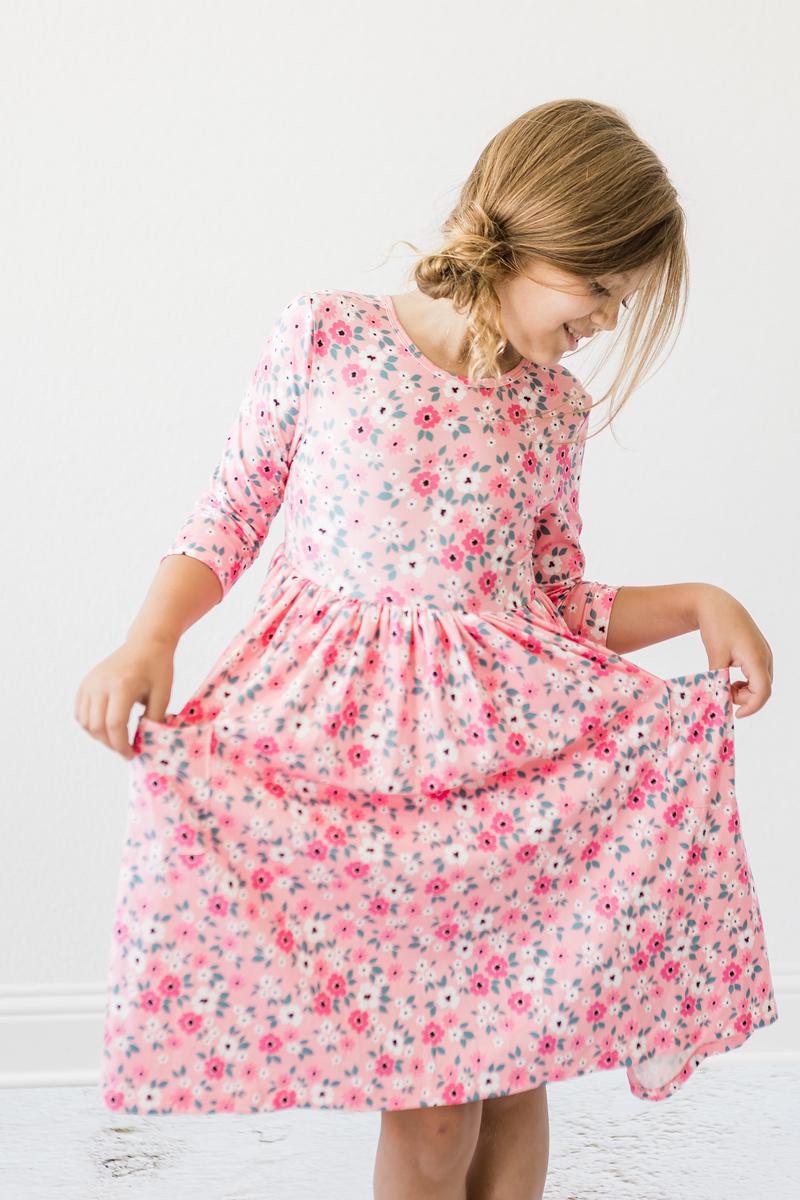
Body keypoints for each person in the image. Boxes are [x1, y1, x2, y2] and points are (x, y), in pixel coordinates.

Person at [78, 99, 777, 1200]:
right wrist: (148, 639)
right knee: (437, 1112)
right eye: (600, 290)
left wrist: (698, 601)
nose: (604, 321)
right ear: (538, 240)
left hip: (502, 782)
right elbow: (231, 513)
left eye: (621, 302)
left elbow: (553, 605)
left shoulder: (550, 409)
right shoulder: (329, 336)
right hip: (355, 779)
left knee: (516, 1072)